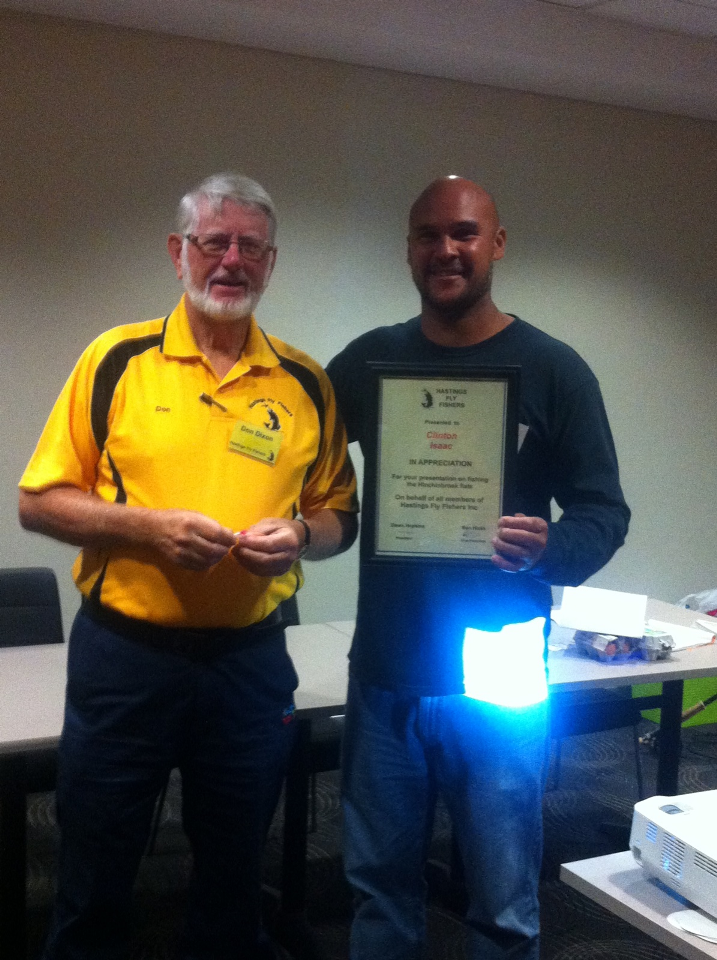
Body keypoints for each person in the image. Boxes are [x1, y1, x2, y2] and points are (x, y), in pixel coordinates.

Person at [18, 172, 358, 960]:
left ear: (270, 264)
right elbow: (39, 502)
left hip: (248, 663)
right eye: (214, 242)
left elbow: (339, 514)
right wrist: (145, 529)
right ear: (180, 253)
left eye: (249, 247)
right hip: (124, 660)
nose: (230, 260)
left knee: (235, 871)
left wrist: (301, 537)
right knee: (95, 862)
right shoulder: (116, 359)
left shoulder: (306, 383)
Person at [326, 176, 630, 960]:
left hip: (500, 661)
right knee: (379, 893)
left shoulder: (554, 369)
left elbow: (604, 512)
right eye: (427, 235)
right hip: (388, 662)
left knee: (501, 900)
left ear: (495, 243)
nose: (445, 250)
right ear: (408, 249)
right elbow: (302, 460)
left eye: (463, 233)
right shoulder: (370, 360)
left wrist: (549, 548)